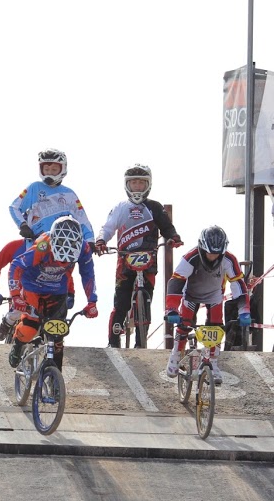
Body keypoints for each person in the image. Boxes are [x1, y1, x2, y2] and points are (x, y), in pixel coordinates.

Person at [94, 164, 183, 347]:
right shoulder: (120, 207)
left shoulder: (155, 207)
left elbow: (166, 227)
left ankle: (140, 344)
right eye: (134, 183)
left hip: (149, 258)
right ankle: (113, 341)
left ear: (148, 185)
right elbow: (109, 227)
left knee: (147, 300)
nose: (137, 187)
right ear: (127, 185)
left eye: (141, 184)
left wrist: (173, 237)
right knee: (121, 301)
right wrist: (101, 241)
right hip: (125, 260)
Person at [8, 216, 98, 369]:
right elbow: (17, 266)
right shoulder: (43, 245)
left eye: (67, 260)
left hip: (57, 291)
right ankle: (18, 342)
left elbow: (88, 275)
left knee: (57, 336)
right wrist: (16, 296)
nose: (62, 263)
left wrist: (92, 302)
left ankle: (54, 381)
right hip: (32, 287)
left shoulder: (84, 249)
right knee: (30, 328)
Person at [165, 226, 250, 383]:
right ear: (202, 248)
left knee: (216, 327)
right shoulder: (190, 257)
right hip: (190, 294)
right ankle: (176, 352)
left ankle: (213, 361)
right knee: (185, 323)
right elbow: (176, 281)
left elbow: (238, 285)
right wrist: (171, 309)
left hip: (215, 295)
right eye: (210, 252)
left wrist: (244, 311)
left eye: (217, 253)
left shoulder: (229, 260)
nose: (213, 257)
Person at [0, 238, 78, 341]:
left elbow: (63, 274)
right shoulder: (14, 246)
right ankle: (8, 321)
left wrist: (70, 293)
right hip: (21, 292)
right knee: (19, 311)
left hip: (47, 292)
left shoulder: (52, 250)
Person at [9, 148, 95, 243]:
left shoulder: (69, 194)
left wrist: (90, 240)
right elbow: (14, 207)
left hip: (62, 245)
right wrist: (23, 225)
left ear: (63, 169)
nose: (49, 173)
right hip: (36, 244)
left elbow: (82, 219)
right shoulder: (34, 187)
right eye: (46, 169)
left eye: (54, 169)